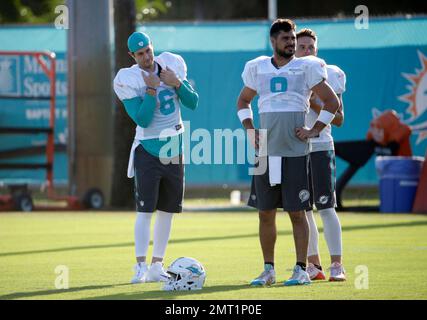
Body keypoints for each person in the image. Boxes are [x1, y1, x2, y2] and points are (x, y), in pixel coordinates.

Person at [236, 19, 340, 286]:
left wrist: (314, 129)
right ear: (273, 42)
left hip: (295, 151)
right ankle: (268, 269)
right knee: (265, 212)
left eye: (293, 38)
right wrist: (250, 128)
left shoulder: (307, 67)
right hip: (266, 151)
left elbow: (332, 102)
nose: (292, 43)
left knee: (298, 211)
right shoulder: (257, 68)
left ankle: (301, 268)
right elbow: (243, 101)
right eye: (286, 39)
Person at [113, 31, 199, 284]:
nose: (146, 56)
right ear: (132, 55)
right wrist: (151, 91)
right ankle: (140, 266)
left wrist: (177, 83)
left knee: (167, 211)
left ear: (152, 47)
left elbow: (193, 103)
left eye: (148, 50)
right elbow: (141, 118)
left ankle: (156, 265)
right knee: (145, 210)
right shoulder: (128, 78)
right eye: (140, 54)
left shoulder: (171, 64)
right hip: (148, 148)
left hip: (175, 147)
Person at [295, 28, 346, 281]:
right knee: (303, 209)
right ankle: (314, 266)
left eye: (310, 48)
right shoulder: (286, 71)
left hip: (320, 146)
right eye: (301, 47)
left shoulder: (329, 73)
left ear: (317, 50)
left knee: (326, 207)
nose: (306, 51)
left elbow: (339, 119)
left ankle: (337, 264)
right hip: (295, 149)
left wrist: (315, 101)